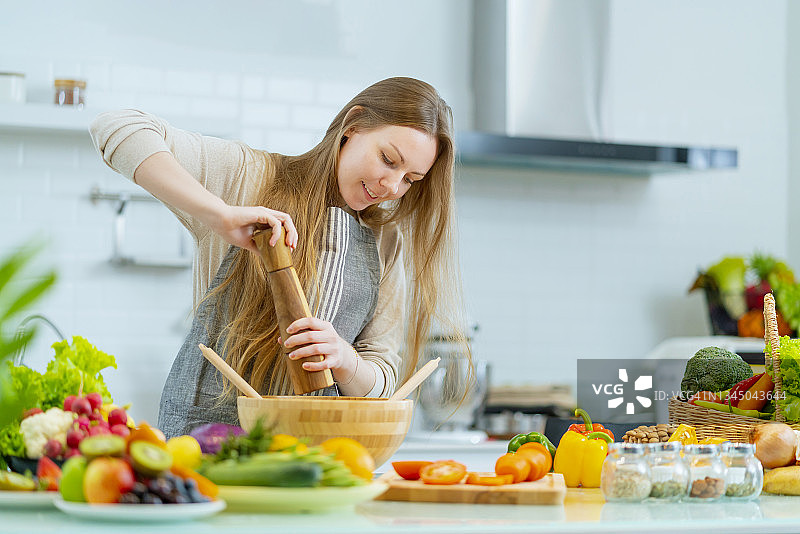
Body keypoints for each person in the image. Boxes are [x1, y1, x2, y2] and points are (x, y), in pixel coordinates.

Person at [90, 77, 470, 438]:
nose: (392, 186)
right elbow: (117, 127)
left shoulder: (385, 242)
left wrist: (344, 359)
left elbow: (384, 379)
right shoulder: (249, 177)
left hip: (311, 459)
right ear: (352, 126)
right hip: (204, 454)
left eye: (410, 179)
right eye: (388, 159)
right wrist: (220, 215)